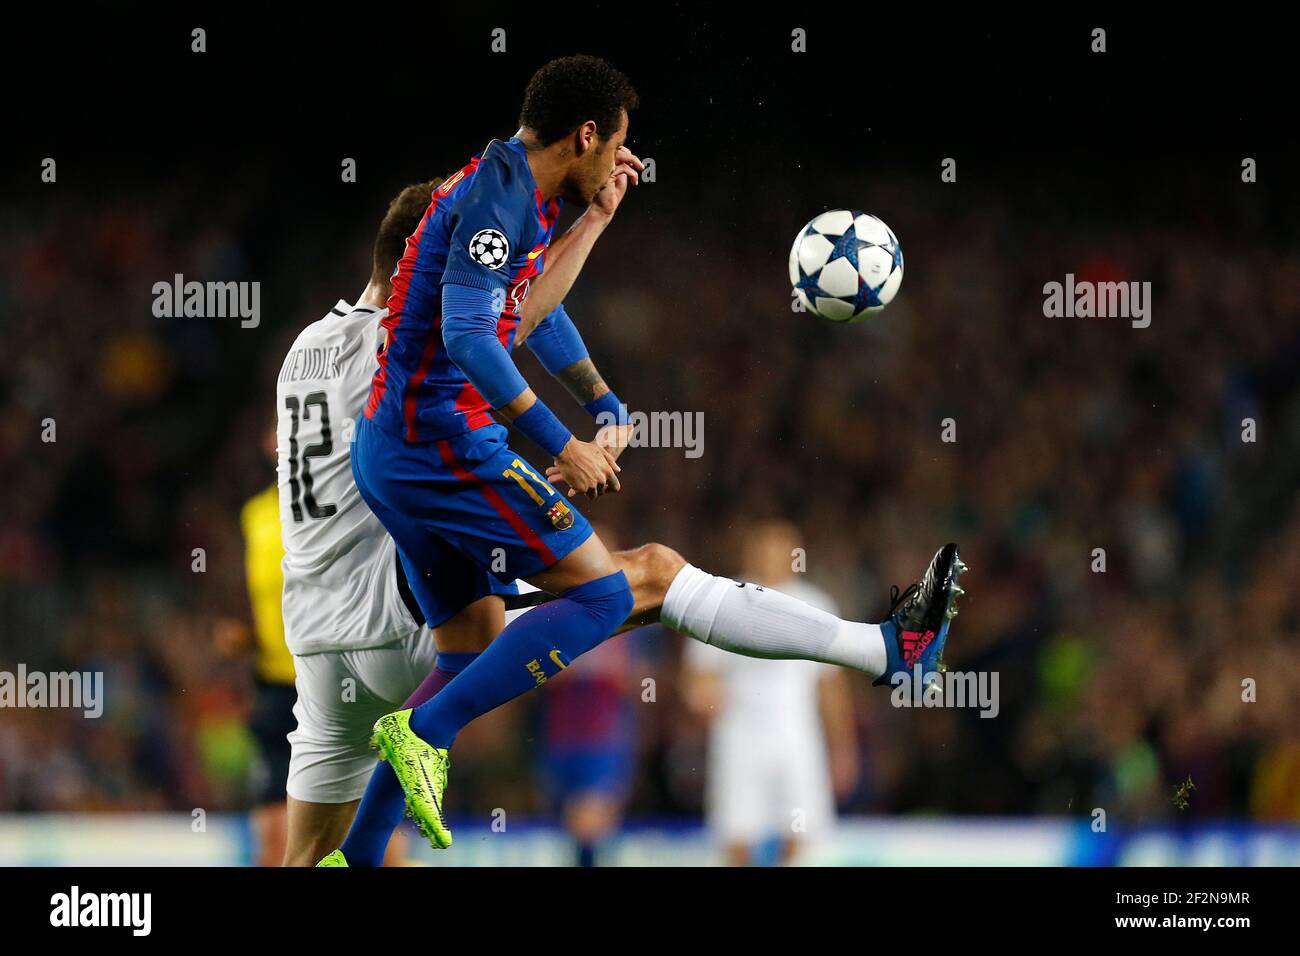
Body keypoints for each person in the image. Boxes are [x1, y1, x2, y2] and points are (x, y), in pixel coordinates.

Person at [336, 54, 966, 860]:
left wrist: (601, 397)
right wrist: (562, 440)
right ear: (587, 133)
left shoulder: (514, 190)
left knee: (474, 646)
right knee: (606, 596)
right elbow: (469, 337)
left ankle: (352, 857)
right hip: (443, 448)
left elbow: (524, 310)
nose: (623, 159)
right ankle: (426, 732)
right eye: (618, 141)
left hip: (394, 452)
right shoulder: (497, 199)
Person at [684, 520, 860, 865]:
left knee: (800, 832)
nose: (770, 557)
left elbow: (830, 685)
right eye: (763, 548)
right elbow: (699, 676)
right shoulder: (722, 599)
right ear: (750, 552)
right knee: (736, 833)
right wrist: (703, 699)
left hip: (796, 736)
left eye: (780, 549)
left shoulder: (817, 606)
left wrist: (843, 747)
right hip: (738, 736)